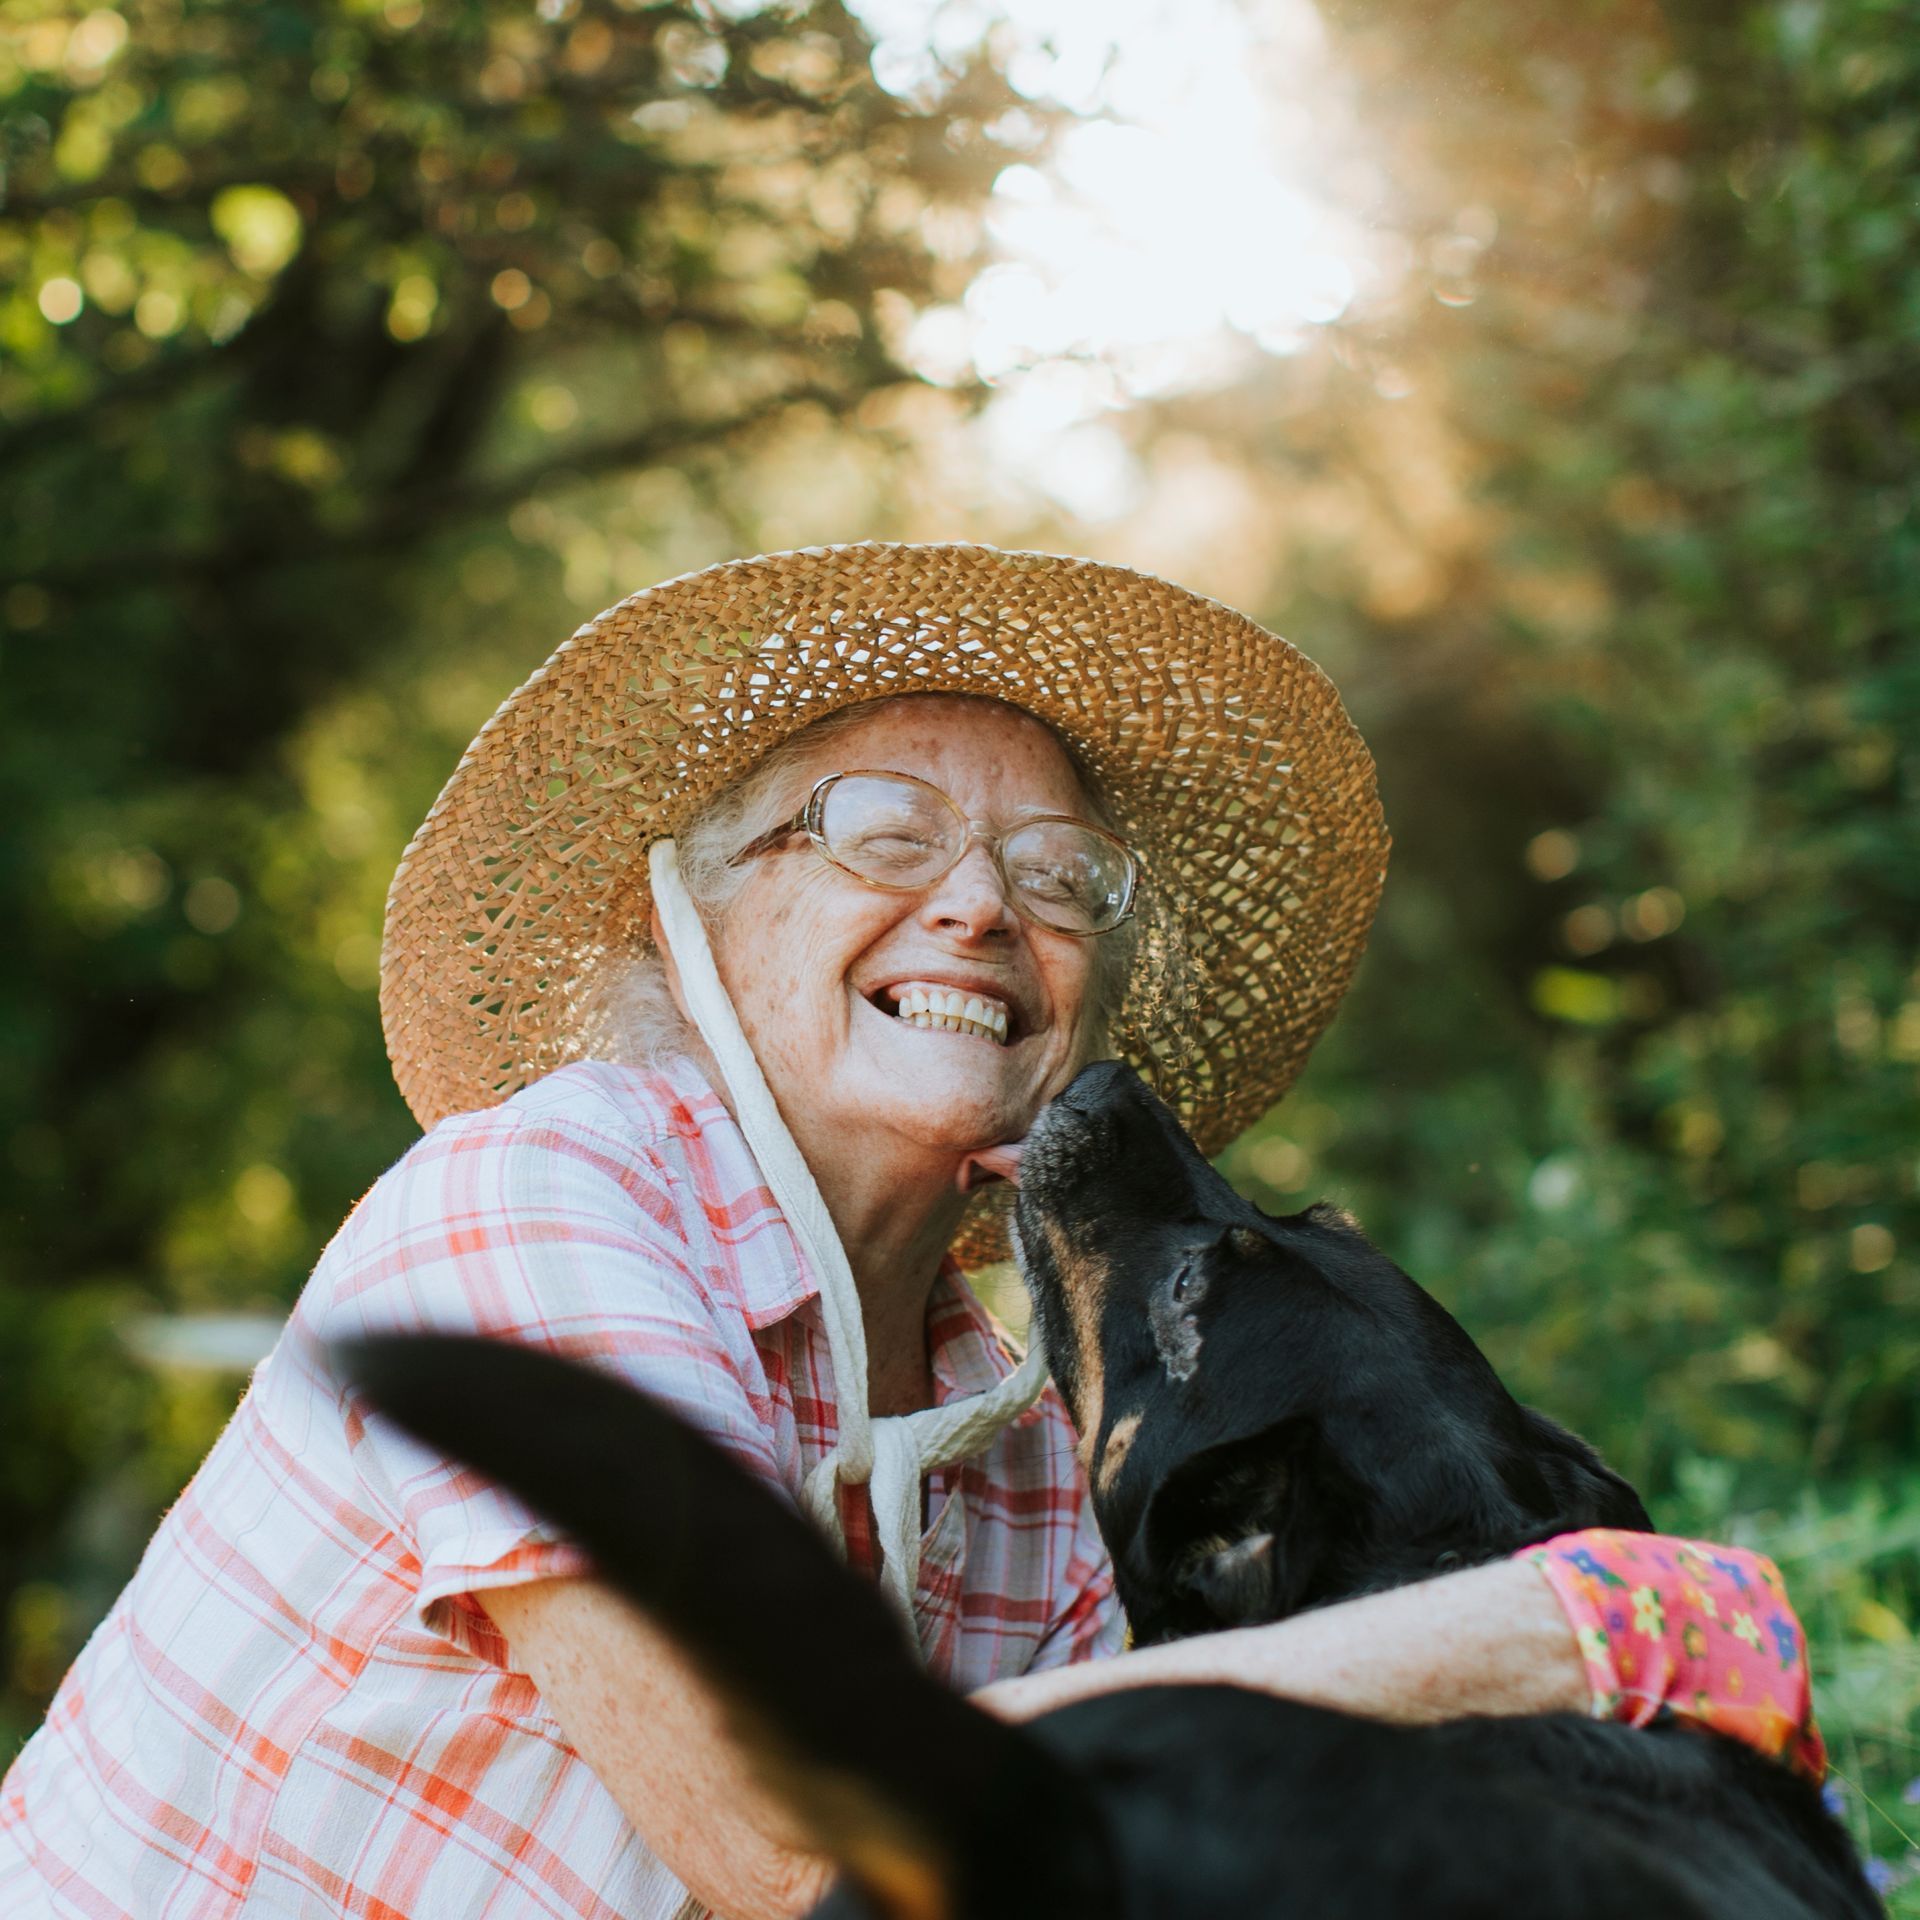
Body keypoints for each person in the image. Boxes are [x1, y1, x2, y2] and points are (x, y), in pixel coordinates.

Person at [0, 544, 1819, 1919]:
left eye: (1057, 881)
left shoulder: (1021, 1444)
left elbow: (1047, 1863)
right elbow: (791, 1838)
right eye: (881, 831)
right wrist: (1549, 1635)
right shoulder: (536, 1203)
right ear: (688, 929)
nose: (975, 907)